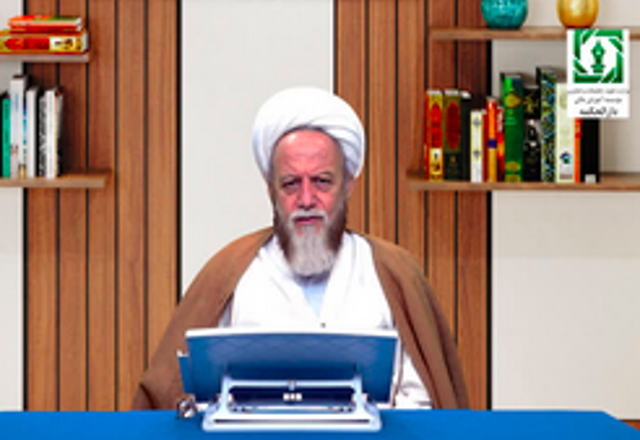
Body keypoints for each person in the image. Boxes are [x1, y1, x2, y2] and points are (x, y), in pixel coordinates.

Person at [132, 87, 468, 410]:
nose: (306, 199)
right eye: (291, 183)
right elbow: (188, 397)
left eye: (322, 181)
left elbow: (420, 399)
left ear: (348, 185)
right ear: (271, 191)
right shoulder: (231, 273)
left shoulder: (392, 272)